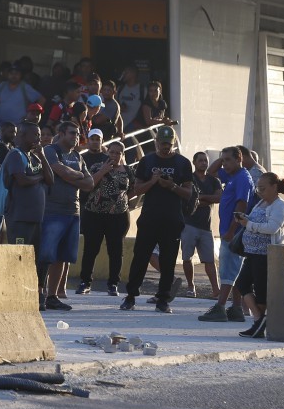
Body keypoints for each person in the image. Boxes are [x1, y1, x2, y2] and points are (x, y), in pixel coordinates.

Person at [120, 126, 193, 313]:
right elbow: (137, 190)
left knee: (168, 261)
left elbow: (188, 193)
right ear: (156, 142)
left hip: (172, 219)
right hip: (149, 218)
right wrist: (153, 181)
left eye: (168, 144)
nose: (165, 148)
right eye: (162, 144)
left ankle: (163, 299)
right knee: (140, 258)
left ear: (173, 143)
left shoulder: (183, 163)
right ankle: (131, 296)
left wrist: (172, 186)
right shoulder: (147, 161)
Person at [0, 122, 55, 308]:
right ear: (23, 135)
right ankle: (15, 295)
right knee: (18, 258)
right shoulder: (16, 155)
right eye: (36, 135)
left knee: (36, 259)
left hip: (36, 218)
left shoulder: (35, 156)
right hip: (19, 217)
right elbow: (22, 180)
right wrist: (38, 178)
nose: (39, 139)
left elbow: (51, 179)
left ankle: (33, 294)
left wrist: (42, 156)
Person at [198, 146, 255, 323]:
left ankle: (220, 306)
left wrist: (231, 231)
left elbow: (242, 206)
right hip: (230, 231)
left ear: (239, 159)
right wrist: (222, 160)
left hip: (235, 233)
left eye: (228, 160)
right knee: (234, 271)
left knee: (228, 271)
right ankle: (236, 307)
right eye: (223, 160)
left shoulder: (243, 178)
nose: (225, 164)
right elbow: (211, 172)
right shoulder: (232, 176)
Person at [40, 122, 93, 310]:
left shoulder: (78, 156)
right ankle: (40, 292)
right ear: (61, 133)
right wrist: (77, 176)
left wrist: (72, 175)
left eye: (77, 134)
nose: (76, 137)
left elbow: (90, 183)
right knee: (46, 255)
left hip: (73, 211)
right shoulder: (51, 150)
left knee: (62, 257)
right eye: (72, 133)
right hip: (53, 211)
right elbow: (57, 169)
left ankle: (52, 296)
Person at [234, 172, 284, 338]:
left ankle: (258, 325)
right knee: (242, 283)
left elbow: (272, 228)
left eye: (263, 188)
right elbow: (255, 221)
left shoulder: (280, 206)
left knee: (261, 291)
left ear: (274, 187)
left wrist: (249, 224)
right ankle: (259, 320)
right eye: (258, 188)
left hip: (266, 254)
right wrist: (245, 219)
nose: (259, 191)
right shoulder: (261, 202)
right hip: (252, 252)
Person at [77, 140, 133, 296]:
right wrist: (103, 170)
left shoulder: (128, 171)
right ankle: (85, 282)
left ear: (122, 154)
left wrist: (122, 201)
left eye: (118, 153)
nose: (114, 155)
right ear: (107, 152)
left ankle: (113, 283)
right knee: (91, 249)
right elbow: (89, 185)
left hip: (118, 216)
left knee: (116, 251)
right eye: (112, 152)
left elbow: (134, 189)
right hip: (94, 214)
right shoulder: (96, 167)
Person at [181, 151, 222, 299]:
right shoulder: (189, 179)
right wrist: (204, 199)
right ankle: (191, 286)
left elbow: (219, 198)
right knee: (187, 257)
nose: (203, 163)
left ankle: (216, 290)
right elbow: (188, 197)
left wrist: (200, 198)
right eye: (200, 160)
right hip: (189, 223)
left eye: (205, 160)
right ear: (194, 162)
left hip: (206, 226)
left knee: (209, 260)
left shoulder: (213, 180)